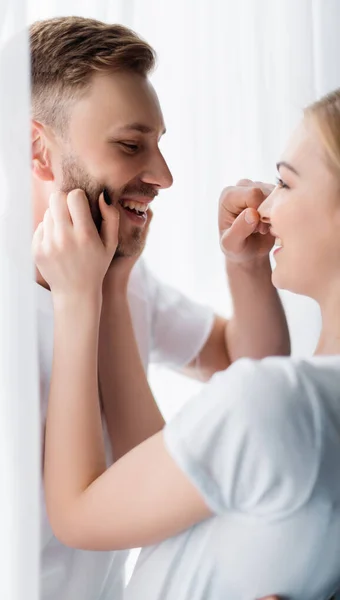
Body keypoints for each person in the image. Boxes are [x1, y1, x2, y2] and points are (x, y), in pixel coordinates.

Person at [34, 85, 340, 600]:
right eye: (131, 145)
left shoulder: (278, 402)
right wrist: (115, 278)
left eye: (285, 182)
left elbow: (78, 512)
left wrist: (79, 300)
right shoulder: (305, 401)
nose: (265, 202)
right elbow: (166, 472)